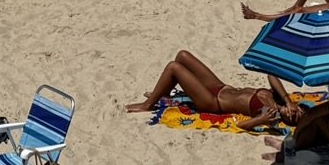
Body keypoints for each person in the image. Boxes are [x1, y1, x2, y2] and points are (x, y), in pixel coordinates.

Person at [124, 51, 300, 122]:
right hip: (220, 87)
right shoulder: (279, 98)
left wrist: (259, 121)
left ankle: (148, 105)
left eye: (293, 118)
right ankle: (165, 93)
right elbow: (271, 75)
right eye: (297, 111)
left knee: (174, 67)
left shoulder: (271, 114)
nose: (292, 113)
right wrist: (288, 100)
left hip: (213, 102)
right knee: (182, 55)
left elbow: (241, 126)